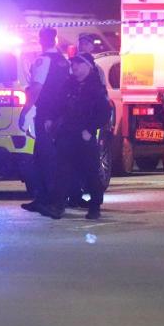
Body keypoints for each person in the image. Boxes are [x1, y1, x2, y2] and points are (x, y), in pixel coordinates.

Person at [19, 26, 71, 219]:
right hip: (60, 115)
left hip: (46, 114)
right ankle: (44, 199)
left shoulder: (43, 60)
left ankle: (48, 200)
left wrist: (25, 111)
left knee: (44, 158)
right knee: (49, 157)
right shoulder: (63, 61)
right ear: (55, 40)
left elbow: (37, 88)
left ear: (41, 40)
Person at [56, 53, 112, 219]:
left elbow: (104, 112)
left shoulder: (96, 88)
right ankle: (58, 205)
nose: (75, 68)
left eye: (78, 65)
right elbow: (59, 105)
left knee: (90, 172)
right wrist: (52, 120)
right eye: (73, 65)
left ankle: (94, 207)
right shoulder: (68, 85)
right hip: (67, 134)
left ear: (88, 66)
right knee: (62, 171)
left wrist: (89, 129)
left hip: (84, 136)